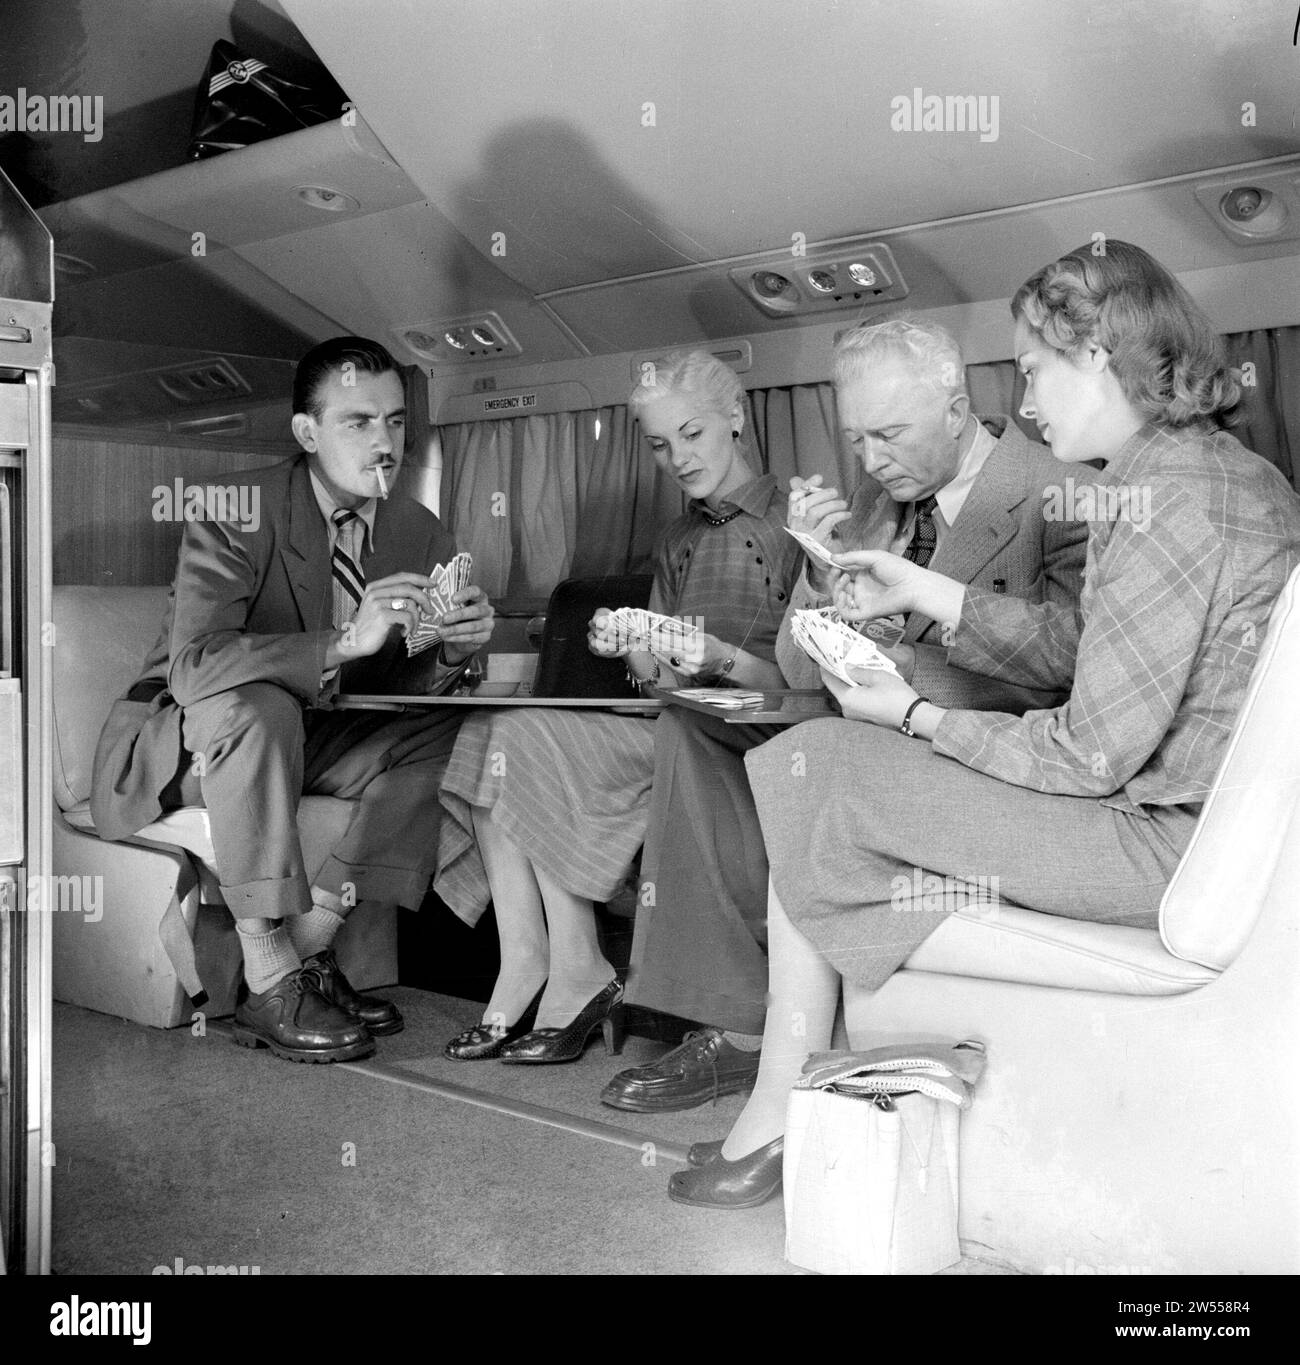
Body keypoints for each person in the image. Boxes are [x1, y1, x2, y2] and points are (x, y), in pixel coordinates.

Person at [669, 240, 1300, 1208]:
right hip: (1172, 819)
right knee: (819, 764)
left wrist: (918, 715)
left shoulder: (1165, 498)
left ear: (1098, 354)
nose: (1031, 402)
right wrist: (931, 592)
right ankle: (796, 1091)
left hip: (1158, 844)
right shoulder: (1207, 472)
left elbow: (1089, 751)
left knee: (812, 768)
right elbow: (1088, 643)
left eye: (1038, 370)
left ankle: (780, 1107)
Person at [602, 316, 1092, 1115]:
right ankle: (728, 1018)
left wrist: (908, 665)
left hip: (965, 746)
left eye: (889, 435)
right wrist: (815, 571)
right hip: (855, 723)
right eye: (856, 438)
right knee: (696, 730)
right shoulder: (877, 496)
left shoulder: (1055, 490)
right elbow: (801, 667)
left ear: (959, 408)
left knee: (797, 751)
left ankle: (758, 1046)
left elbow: (1073, 663)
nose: (870, 460)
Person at [90, 336, 495, 1064]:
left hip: (312, 733)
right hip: (190, 737)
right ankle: (270, 972)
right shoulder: (233, 508)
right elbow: (195, 665)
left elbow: (396, 681)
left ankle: (308, 950)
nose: (385, 443)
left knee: (455, 730)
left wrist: (457, 648)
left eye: (397, 422)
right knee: (260, 707)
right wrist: (343, 641)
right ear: (307, 434)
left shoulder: (414, 527)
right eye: (359, 421)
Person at [434, 350, 800, 1063]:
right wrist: (634, 643)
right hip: (670, 720)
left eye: (691, 434)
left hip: (747, 731)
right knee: (491, 733)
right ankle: (536, 961)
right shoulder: (676, 539)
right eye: (661, 445)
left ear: (736, 418)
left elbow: (797, 679)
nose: (677, 458)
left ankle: (576, 972)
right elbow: (657, 677)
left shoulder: (796, 522)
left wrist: (708, 655)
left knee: (525, 742)